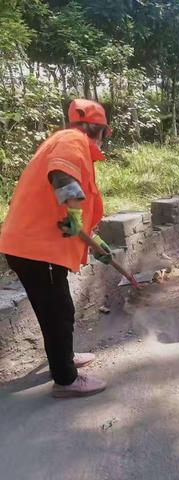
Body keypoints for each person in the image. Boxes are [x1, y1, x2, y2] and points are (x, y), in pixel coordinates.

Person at [0, 99, 115, 398]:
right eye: (104, 133)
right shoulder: (72, 140)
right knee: (59, 311)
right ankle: (65, 380)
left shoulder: (61, 140)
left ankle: (64, 357)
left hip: (32, 244)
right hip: (37, 248)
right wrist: (75, 218)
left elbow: (73, 213)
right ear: (99, 130)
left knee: (54, 309)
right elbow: (62, 177)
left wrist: (97, 243)